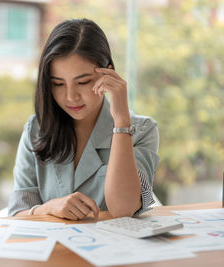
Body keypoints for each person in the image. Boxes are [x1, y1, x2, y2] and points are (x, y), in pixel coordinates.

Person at [8, 18, 160, 220]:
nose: (71, 96)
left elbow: (125, 209)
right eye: (58, 84)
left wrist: (121, 122)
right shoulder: (36, 129)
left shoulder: (142, 130)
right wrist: (50, 207)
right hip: (55, 249)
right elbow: (18, 212)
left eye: (83, 82)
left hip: (113, 248)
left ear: (109, 72)